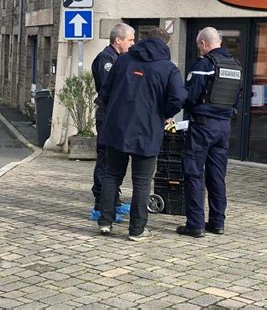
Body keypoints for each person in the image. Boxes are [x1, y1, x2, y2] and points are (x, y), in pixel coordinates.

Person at [97, 28, 187, 241]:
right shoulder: (168, 68)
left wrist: (114, 111)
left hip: (117, 128)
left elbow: (105, 91)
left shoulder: (124, 60)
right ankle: (136, 230)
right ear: (167, 44)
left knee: (112, 175)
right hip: (147, 130)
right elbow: (179, 98)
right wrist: (164, 113)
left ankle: (105, 221)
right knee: (142, 181)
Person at [177, 27, 242, 237]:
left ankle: (195, 225)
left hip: (203, 126)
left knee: (194, 173)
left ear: (204, 44)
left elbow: (190, 96)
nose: (200, 50)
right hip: (224, 127)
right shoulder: (236, 66)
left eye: (199, 46)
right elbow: (238, 97)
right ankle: (217, 222)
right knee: (217, 176)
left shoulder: (204, 65)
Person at [89, 23, 135, 222]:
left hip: (115, 116)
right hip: (107, 116)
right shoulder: (106, 60)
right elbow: (114, 88)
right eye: (130, 40)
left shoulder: (118, 59)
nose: (133, 44)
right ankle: (101, 203)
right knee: (106, 159)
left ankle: (113, 200)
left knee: (115, 161)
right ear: (118, 40)